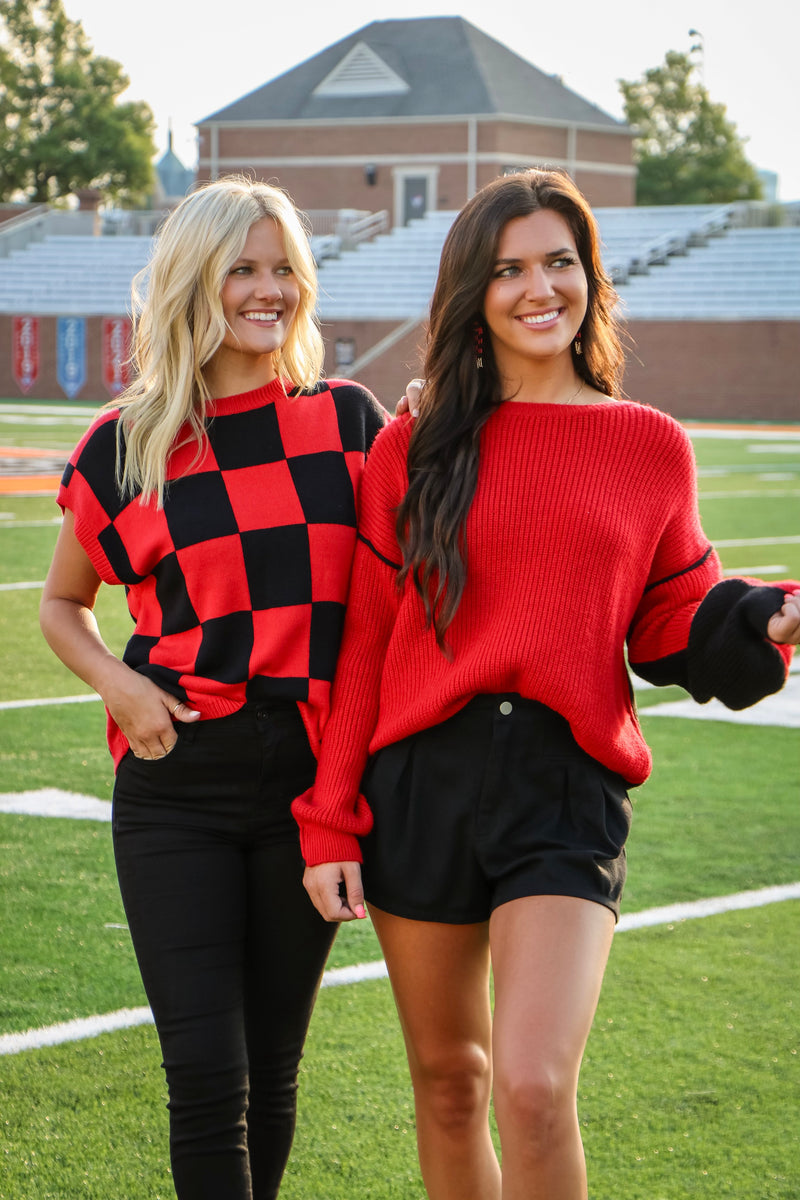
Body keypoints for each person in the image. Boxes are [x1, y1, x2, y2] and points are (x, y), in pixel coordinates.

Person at [293, 168, 800, 1200]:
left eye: (558, 262)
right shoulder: (416, 442)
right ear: (471, 293)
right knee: (448, 1083)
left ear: (589, 278)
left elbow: (666, 613)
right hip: (420, 785)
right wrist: (330, 819)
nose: (538, 287)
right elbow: (369, 642)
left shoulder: (648, 445)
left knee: (528, 1085)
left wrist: (762, 619)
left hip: (563, 789)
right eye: (508, 268)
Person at [39, 175, 388, 1200]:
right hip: (176, 781)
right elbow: (62, 606)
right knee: (204, 1073)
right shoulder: (127, 443)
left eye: (284, 267)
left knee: (270, 1072)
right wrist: (120, 688)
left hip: (309, 790)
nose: (267, 288)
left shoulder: (348, 422)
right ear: (197, 278)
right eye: (242, 267)